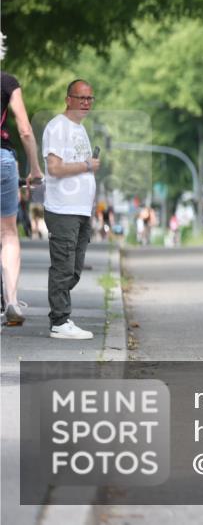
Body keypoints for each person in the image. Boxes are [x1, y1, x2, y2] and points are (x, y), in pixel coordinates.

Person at [41, 79, 99, 339]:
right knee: (63, 267)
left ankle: (61, 315)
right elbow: (54, 168)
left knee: (74, 269)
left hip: (80, 210)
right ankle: (59, 321)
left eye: (90, 99)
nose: (86, 103)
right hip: (63, 209)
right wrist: (87, 166)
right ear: (68, 99)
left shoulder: (79, 129)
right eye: (81, 98)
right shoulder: (58, 127)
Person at [1, 66, 44, 326]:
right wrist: (35, 169)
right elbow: (25, 129)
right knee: (8, 234)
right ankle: (12, 302)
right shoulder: (7, 82)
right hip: (2, 160)